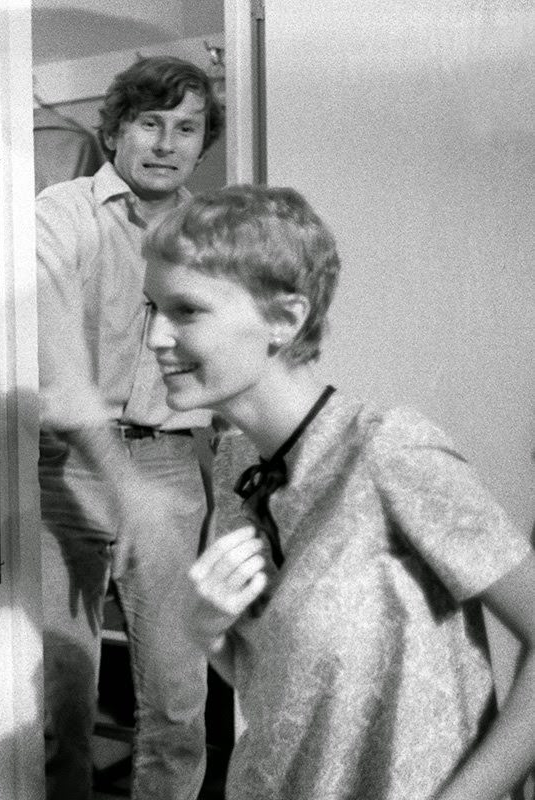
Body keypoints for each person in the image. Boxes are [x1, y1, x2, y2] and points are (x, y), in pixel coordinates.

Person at [141, 184, 535, 800]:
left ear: (284, 318)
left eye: (186, 311)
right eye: (154, 309)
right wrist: (205, 628)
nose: (157, 337)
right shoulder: (237, 461)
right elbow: (276, 682)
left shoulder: (389, 451)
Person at [36, 56, 223, 800]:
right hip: (64, 472)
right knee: (61, 708)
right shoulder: (61, 211)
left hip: (173, 470)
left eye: (187, 128)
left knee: (178, 708)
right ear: (115, 129)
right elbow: (50, 354)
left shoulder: (215, 233)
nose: (167, 143)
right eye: (150, 123)